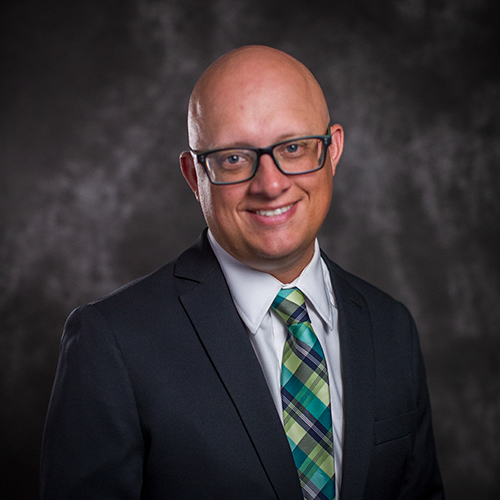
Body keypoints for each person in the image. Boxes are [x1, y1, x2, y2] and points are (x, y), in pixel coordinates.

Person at [40, 45, 445, 500]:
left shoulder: (391, 327)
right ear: (195, 176)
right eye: (234, 158)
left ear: (332, 151)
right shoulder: (111, 342)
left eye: (293, 148)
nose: (270, 185)